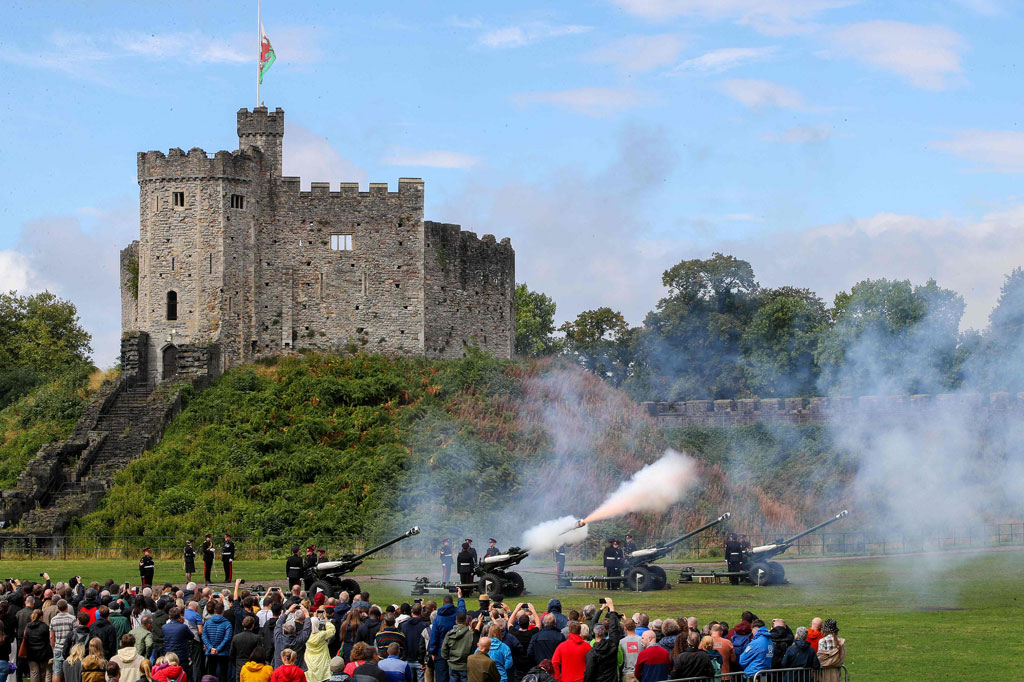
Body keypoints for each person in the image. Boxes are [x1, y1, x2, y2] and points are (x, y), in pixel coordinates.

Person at [428, 590, 466, 682]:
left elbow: (434, 637)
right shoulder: (458, 614)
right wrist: (460, 597)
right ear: (453, 603)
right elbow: (462, 608)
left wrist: (433, 651)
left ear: (442, 603)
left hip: (441, 652)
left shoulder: (437, 619)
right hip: (457, 651)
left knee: (442, 678)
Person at [581, 600, 620, 682]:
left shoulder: (591, 654)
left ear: (593, 634)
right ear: (605, 632)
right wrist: (612, 608)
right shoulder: (612, 645)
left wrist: (601, 609)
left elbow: (589, 674)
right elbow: (614, 629)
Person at [440, 613, 474, 682]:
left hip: (454, 664)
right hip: (463, 665)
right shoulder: (471, 634)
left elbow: (444, 649)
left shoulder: (450, 633)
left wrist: (447, 658)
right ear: (466, 621)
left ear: (456, 621)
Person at [305, 610, 336, 682]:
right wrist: (326, 619)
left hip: (309, 659)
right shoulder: (322, 635)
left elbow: (312, 624)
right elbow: (332, 630)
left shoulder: (306, 635)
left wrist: (314, 617)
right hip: (322, 659)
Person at [162, 608, 195, 675]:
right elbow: (191, 636)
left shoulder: (164, 627)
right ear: (179, 616)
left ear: (169, 617)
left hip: (169, 655)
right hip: (182, 656)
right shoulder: (183, 627)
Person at [50, 600, 76, 682]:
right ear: (67, 607)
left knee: (57, 672)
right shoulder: (72, 618)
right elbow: (75, 634)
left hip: (58, 648)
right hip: (69, 649)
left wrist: (53, 648)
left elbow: (51, 637)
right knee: (70, 672)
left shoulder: (53, 620)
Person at [23, 608, 53, 682]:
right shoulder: (45, 627)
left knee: (34, 673)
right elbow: (48, 640)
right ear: (41, 617)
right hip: (43, 653)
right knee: (43, 672)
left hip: (31, 652)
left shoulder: (28, 626)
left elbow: (25, 638)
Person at [231, 617, 262, 682]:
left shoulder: (236, 637)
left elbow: (232, 653)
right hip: (252, 665)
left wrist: (236, 662)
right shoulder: (256, 638)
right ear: (253, 625)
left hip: (239, 663)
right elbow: (258, 653)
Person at [618, 617, 641, 682]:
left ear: (625, 628)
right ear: (635, 626)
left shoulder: (621, 642)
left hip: (627, 674)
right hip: (639, 672)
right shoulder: (641, 640)